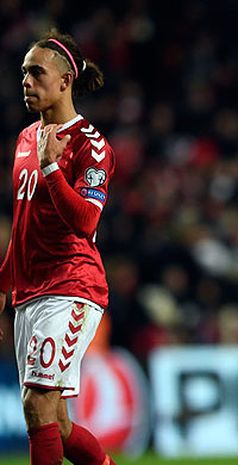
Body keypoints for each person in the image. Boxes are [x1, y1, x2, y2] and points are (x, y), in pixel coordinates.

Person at [0, 31, 116, 465]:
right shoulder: (26, 138)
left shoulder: (92, 144)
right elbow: (22, 226)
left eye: (36, 72)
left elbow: (86, 221)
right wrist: (2, 286)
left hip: (72, 285)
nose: (25, 81)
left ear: (65, 81)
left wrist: (52, 167)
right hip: (29, 292)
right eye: (23, 73)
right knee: (57, 424)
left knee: (35, 403)